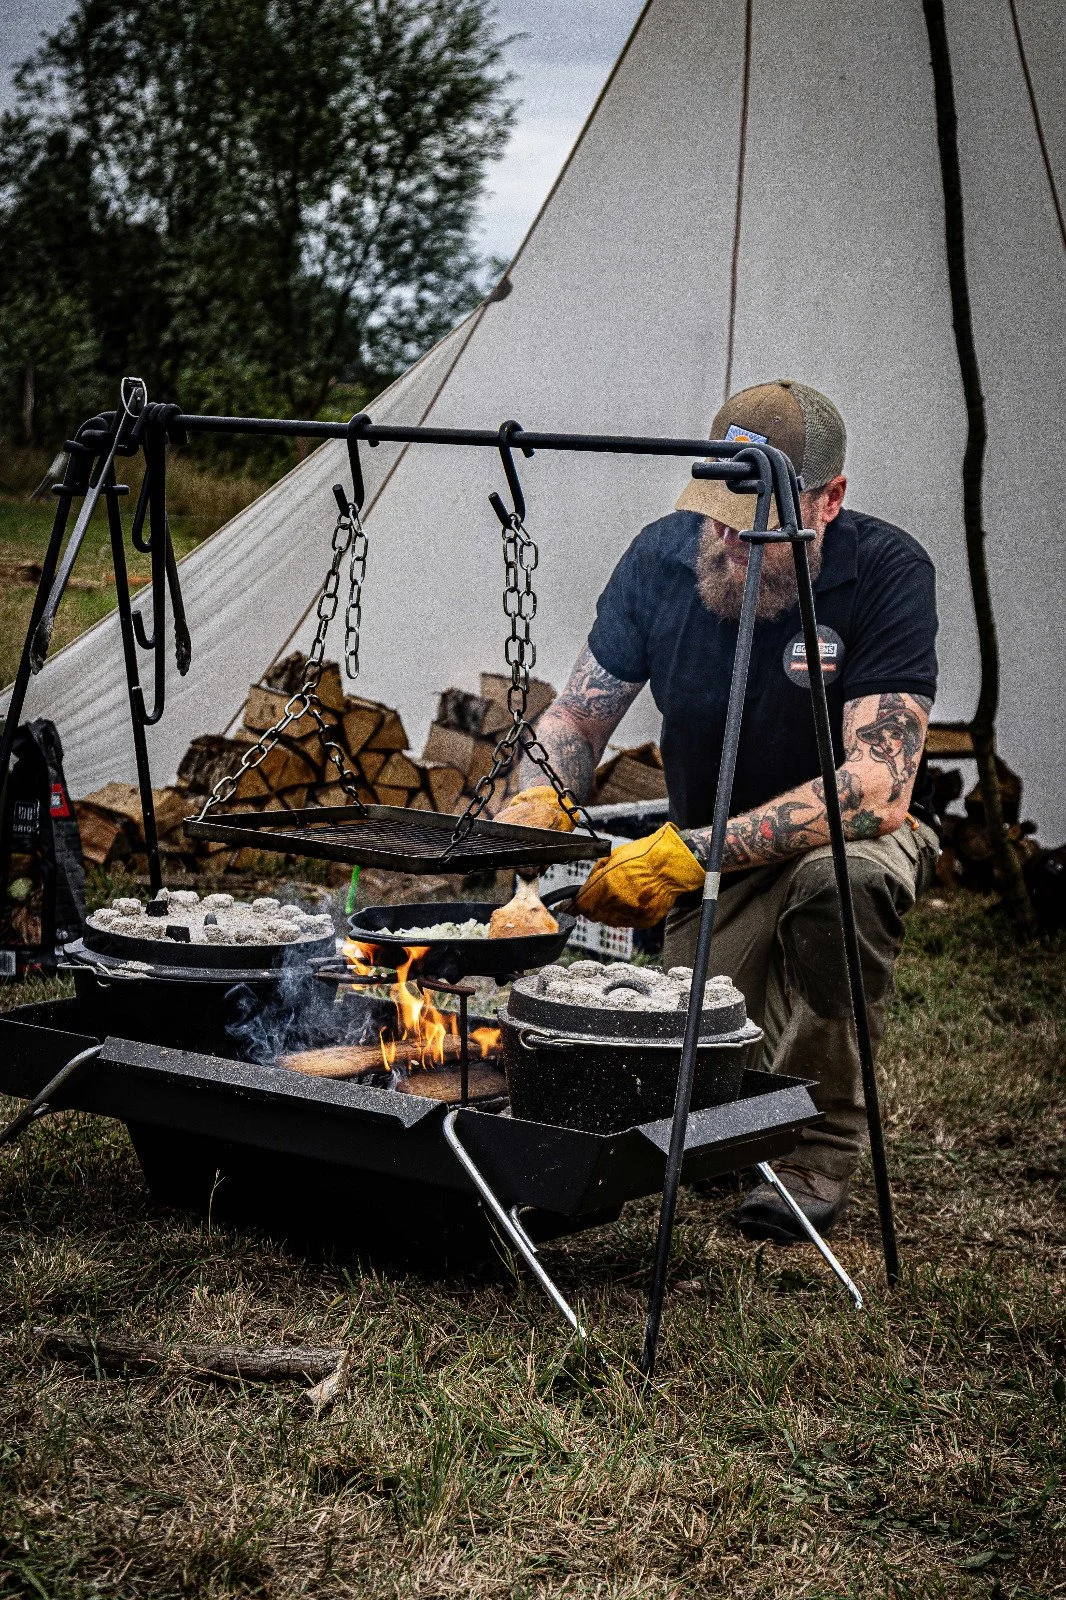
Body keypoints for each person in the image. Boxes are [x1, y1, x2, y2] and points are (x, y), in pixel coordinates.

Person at [498, 379, 939, 1242]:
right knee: (696, 1083)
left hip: (837, 845)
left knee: (837, 889)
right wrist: (540, 789)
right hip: (711, 863)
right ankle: (738, 1124)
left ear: (830, 501)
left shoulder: (886, 570)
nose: (728, 538)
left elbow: (880, 787)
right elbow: (578, 716)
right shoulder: (664, 557)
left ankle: (817, 1152)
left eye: (755, 520)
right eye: (716, 512)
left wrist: (683, 854)